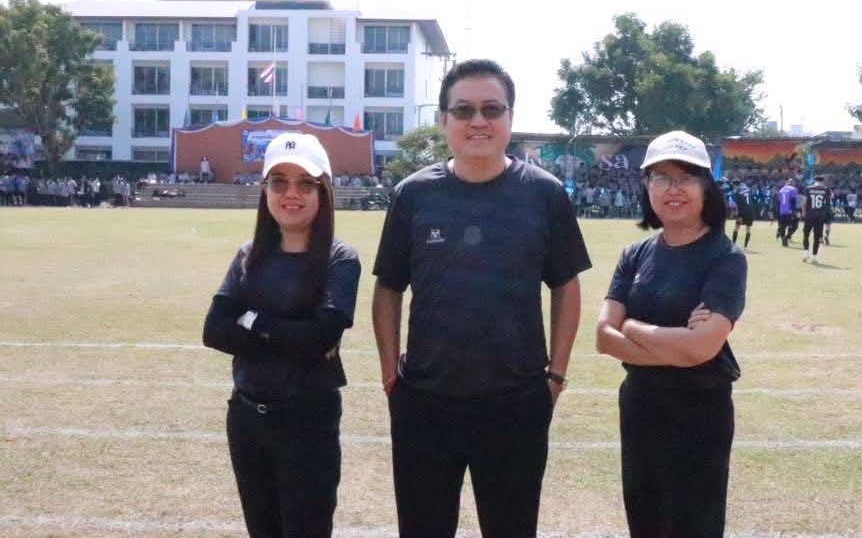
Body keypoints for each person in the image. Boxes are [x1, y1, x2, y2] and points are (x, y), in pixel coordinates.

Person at [372, 59, 591, 538]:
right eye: (464, 109)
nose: (478, 121)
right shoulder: (413, 194)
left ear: (510, 118)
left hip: (517, 404)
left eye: (492, 109)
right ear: (443, 119)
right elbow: (388, 286)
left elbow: (566, 285)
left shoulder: (545, 194)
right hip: (424, 404)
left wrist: (555, 375)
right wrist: (391, 374)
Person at [202, 132, 361, 538]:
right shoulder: (248, 255)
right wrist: (292, 336)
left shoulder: (340, 259)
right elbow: (214, 331)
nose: (291, 193)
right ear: (265, 190)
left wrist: (253, 321)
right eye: (279, 182)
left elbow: (320, 338)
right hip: (246, 419)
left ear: (323, 191)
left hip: (308, 423)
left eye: (305, 183)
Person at [596, 130, 747, 538]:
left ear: (705, 187)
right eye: (660, 177)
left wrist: (633, 327)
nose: (672, 189)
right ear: (647, 186)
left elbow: (702, 348)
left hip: (699, 413)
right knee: (644, 521)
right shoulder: (635, 254)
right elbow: (604, 337)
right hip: (641, 407)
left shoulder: (725, 257)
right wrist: (677, 344)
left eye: (685, 177)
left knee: (693, 524)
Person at [801, 175, 832, 264]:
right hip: (819, 216)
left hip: (809, 215)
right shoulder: (826, 189)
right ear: (823, 182)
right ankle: (814, 257)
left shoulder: (808, 188)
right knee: (817, 237)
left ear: (814, 181)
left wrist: (803, 213)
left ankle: (806, 253)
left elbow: (804, 202)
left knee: (806, 234)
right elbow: (830, 199)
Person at [730, 178, 755, 250]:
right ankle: (745, 247)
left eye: (733, 185)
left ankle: (733, 245)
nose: (733, 187)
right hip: (750, 211)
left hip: (742, 212)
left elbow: (736, 204)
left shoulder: (736, 192)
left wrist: (737, 214)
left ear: (735, 185)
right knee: (748, 229)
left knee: (736, 227)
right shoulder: (748, 189)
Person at [776, 178, 800, 247]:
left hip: (781, 211)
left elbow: (778, 200)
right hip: (789, 211)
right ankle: (787, 237)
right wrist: (794, 211)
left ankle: (783, 239)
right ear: (793, 183)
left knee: (782, 227)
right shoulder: (793, 189)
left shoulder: (781, 189)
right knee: (795, 226)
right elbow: (793, 201)